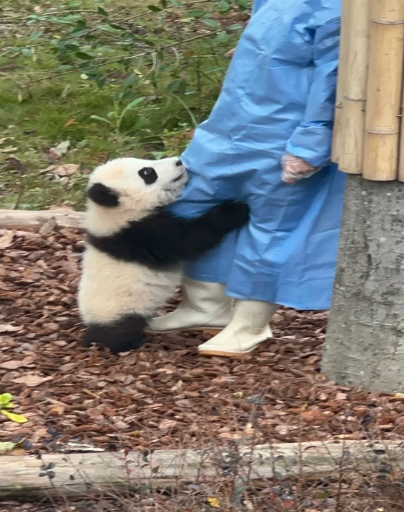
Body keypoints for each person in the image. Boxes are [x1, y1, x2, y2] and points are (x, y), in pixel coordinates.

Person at [148, 0, 345, 358]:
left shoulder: (339, 10)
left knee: (274, 226)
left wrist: (311, 142)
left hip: (285, 133)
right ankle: (205, 305)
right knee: (189, 198)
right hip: (230, 123)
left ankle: (250, 325)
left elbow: (334, 76)